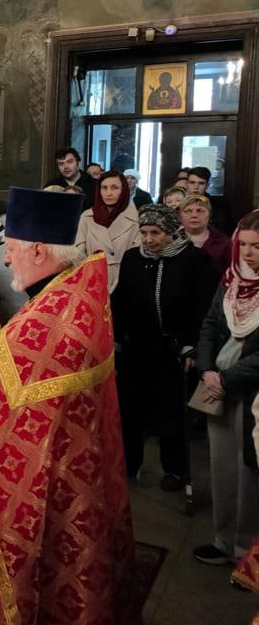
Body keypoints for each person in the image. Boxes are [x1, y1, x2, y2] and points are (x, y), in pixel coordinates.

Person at [0, 187, 138, 624]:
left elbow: (20, 414)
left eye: (11, 249)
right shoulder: (73, 295)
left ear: (39, 250)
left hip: (55, 477)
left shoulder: (54, 317)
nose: (5, 260)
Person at [113, 204, 215, 489]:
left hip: (173, 349)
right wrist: (117, 339)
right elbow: (120, 300)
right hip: (137, 348)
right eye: (143, 232)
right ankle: (130, 465)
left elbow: (202, 306)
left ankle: (174, 470)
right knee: (131, 411)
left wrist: (191, 345)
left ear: (171, 232)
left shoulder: (194, 259)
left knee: (171, 413)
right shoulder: (133, 258)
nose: (147, 239)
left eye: (155, 232)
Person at [193, 210, 259, 569]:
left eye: (256, 247)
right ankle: (223, 541)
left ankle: (246, 552)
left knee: (248, 469)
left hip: (250, 393)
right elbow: (210, 324)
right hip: (217, 384)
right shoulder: (232, 279)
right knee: (222, 467)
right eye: (243, 245)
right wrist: (206, 369)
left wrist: (227, 378)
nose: (248, 254)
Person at [74, 170, 140, 292]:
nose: (108, 193)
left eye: (114, 188)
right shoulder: (87, 217)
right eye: (104, 188)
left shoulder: (136, 218)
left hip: (126, 283)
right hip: (93, 282)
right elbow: (79, 253)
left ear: (123, 190)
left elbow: (136, 258)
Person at [180, 194, 232, 281]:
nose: (194, 215)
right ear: (180, 216)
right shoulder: (170, 240)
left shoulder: (224, 242)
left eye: (200, 211)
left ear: (209, 215)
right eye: (188, 211)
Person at [186, 166, 232, 233]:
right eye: (192, 183)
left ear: (208, 185)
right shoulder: (177, 204)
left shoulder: (220, 207)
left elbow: (223, 232)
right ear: (186, 184)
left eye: (201, 183)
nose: (196, 187)